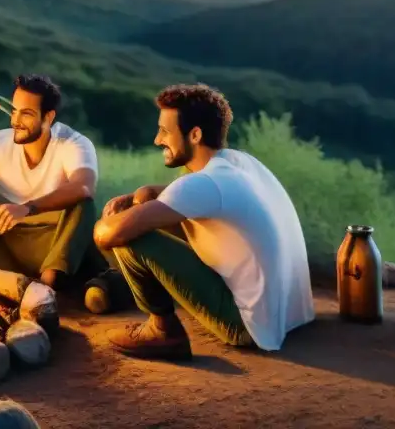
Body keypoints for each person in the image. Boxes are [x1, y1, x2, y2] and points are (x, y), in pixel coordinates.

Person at [92, 83, 314, 360]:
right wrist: (139, 199)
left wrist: (109, 220)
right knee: (146, 206)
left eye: (164, 131)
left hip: (250, 326)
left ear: (194, 134)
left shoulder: (203, 185)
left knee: (130, 237)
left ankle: (162, 331)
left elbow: (106, 236)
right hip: (288, 314)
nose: (157, 140)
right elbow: (168, 195)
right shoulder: (239, 163)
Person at [0, 74, 113, 293]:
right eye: (14, 111)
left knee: (83, 205)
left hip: (54, 240)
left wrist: (27, 208)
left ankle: (51, 281)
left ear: (48, 117)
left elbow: (83, 186)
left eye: (26, 114)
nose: (15, 121)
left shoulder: (73, 143)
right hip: (8, 237)